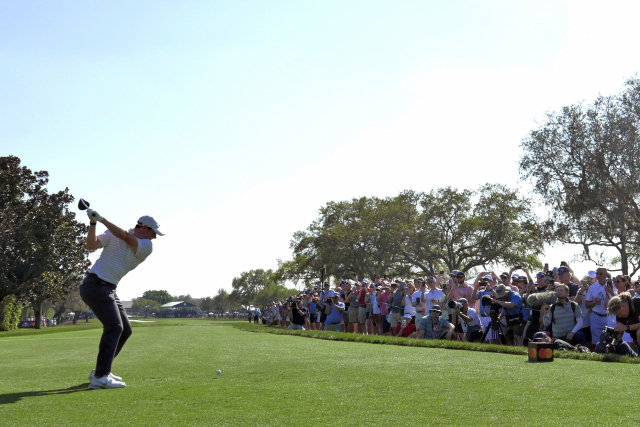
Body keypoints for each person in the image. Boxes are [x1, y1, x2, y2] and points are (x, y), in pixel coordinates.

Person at [82, 210, 163, 390]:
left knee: (125, 329)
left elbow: (126, 237)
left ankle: (100, 371)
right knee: (114, 327)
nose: (155, 237)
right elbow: (90, 245)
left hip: (108, 288)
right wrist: (93, 224)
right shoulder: (114, 233)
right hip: (95, 284)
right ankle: (101, 377)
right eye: (154, 233)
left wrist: (101, 219)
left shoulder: (146, 246)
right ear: (144, 227)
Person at [586, 267, 615, 345]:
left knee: (610, 341)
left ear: (606, 275)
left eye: (600, 274)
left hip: (609, 317)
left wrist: (611, 292)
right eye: (597, 273)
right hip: (595, 317)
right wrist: (594, 303)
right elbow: (587, 304)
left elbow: (618, 300)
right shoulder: (592, 287)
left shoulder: (613, 286)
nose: (598, 275)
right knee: (596, 342)